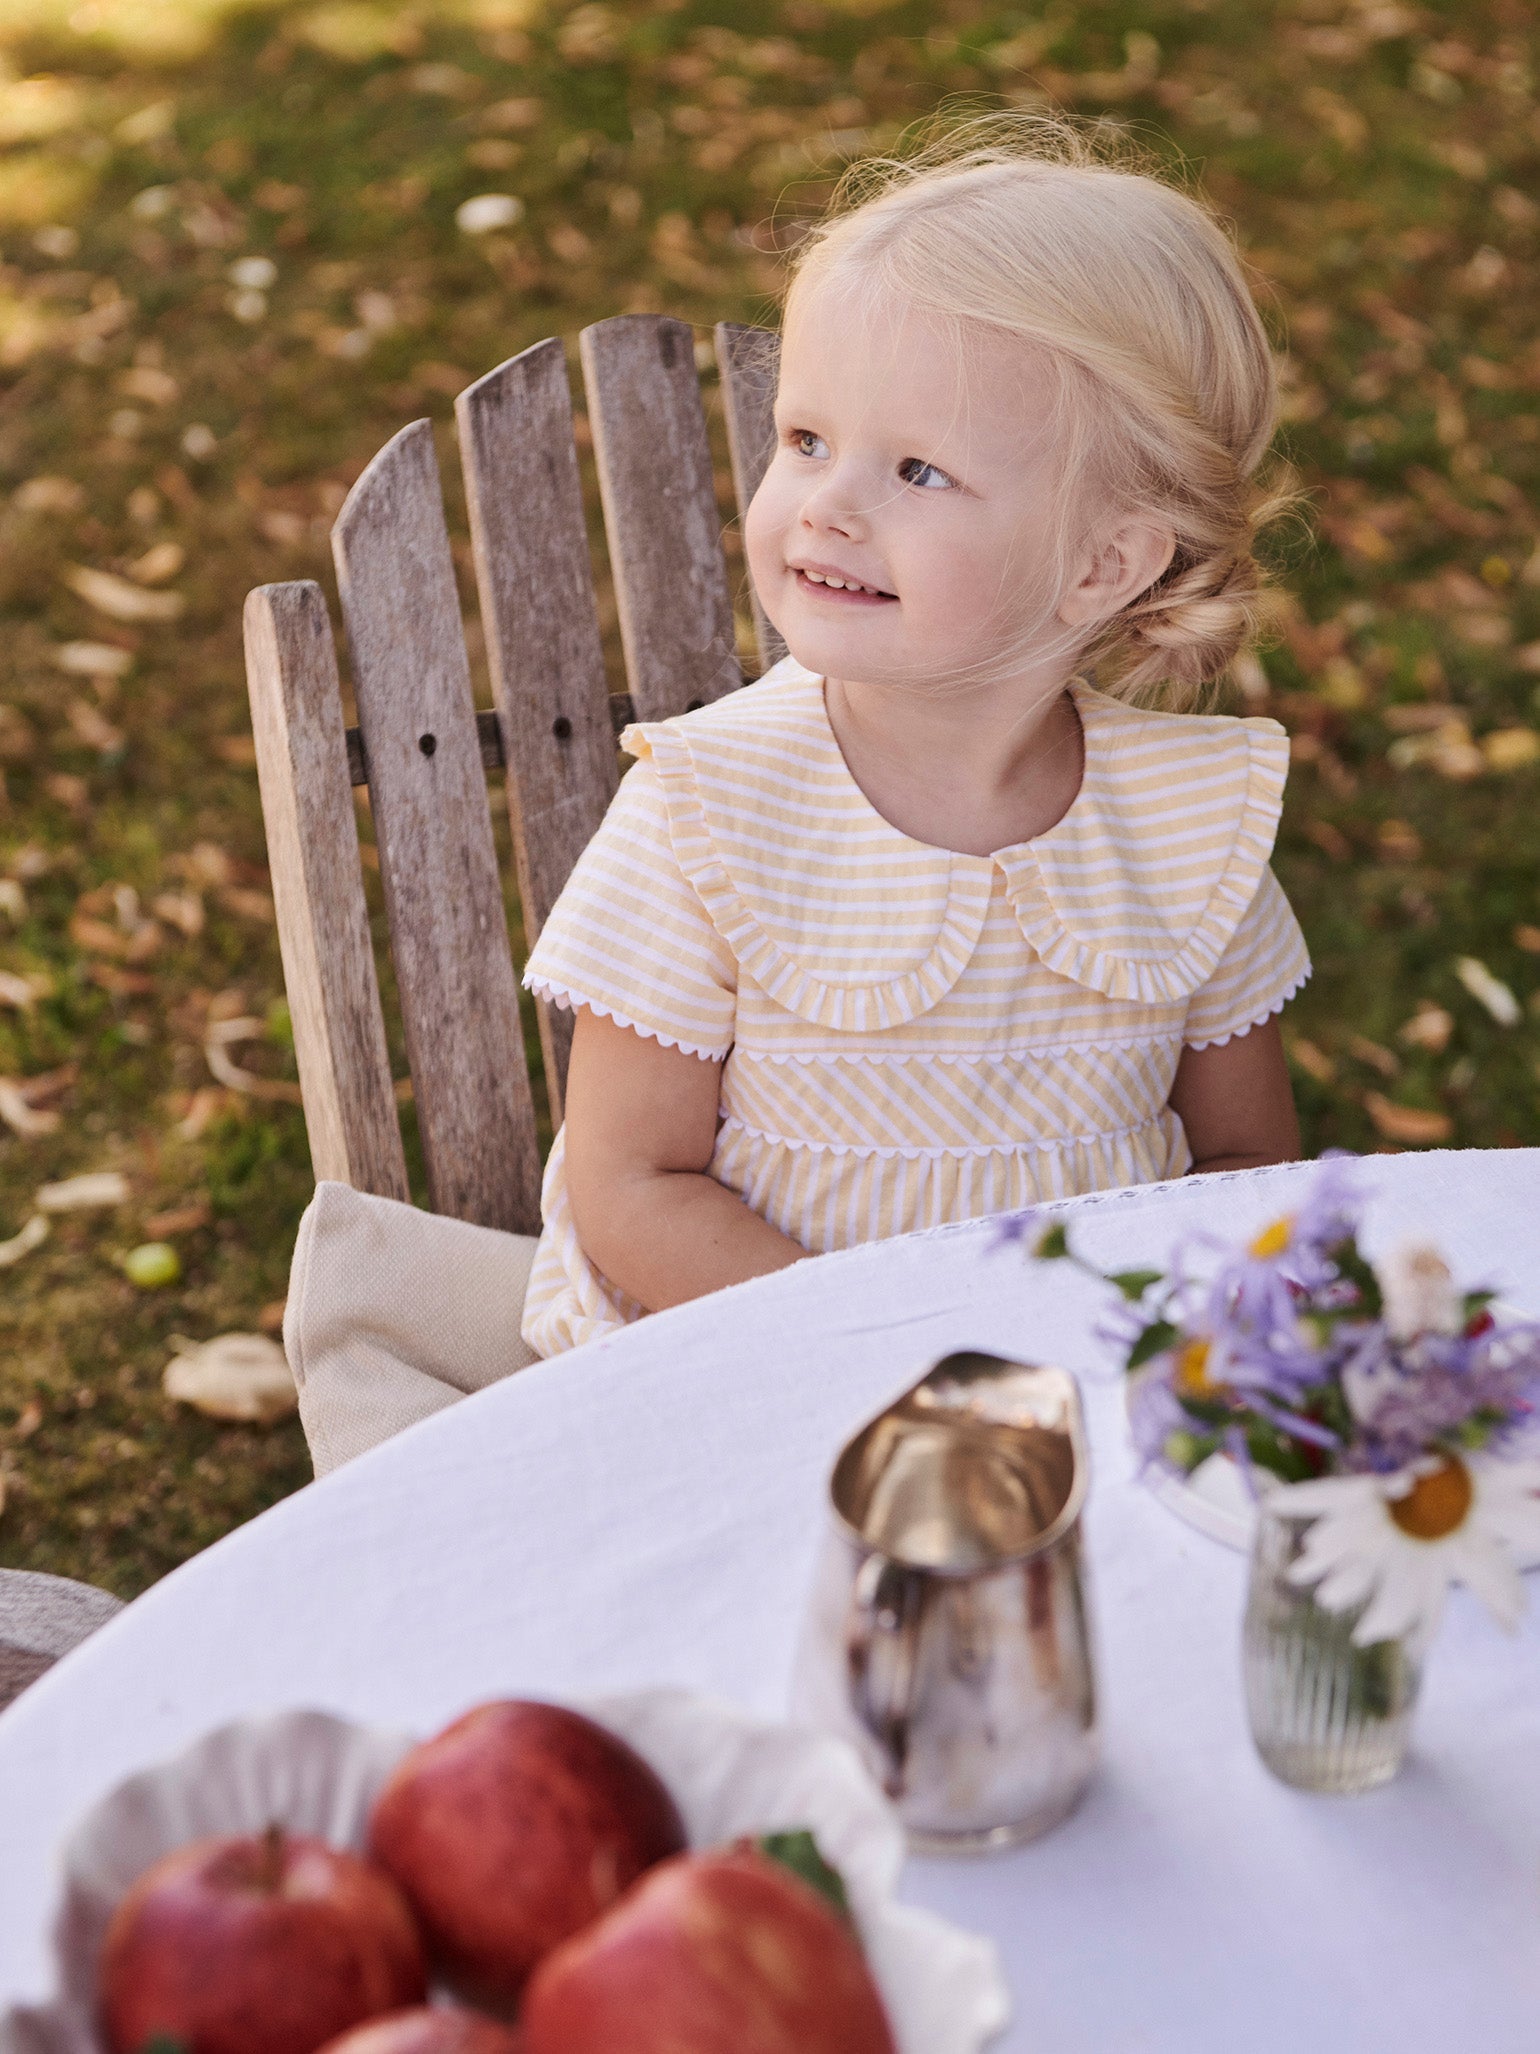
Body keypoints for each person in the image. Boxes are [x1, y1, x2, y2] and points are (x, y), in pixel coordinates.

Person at [519, 122, 1311, 1357]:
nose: (828, 505)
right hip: (753, 1354)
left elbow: (1246, 1162)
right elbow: (631, 1188)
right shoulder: (709, 810)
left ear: (1103, 562)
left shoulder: (1183, 829)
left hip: (1087, 1370)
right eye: (806, 440)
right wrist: (894, 1348)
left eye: (921, 472)